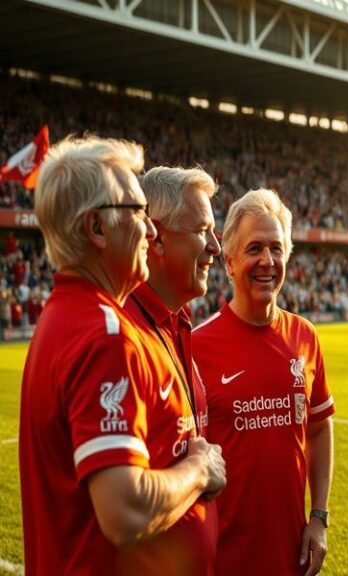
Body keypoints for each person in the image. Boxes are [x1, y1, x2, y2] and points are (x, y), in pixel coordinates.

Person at [19, 136, 226, 576]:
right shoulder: (105, 334)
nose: (150, 231)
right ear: (97, 228)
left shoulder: (65, 317)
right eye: (136, 211)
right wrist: (199, 468)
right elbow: (126, 510)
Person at [192, 188, 334, 576]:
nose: (267, 261)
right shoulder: (195, 348)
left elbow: (320, 428)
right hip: (221, 559)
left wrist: (318, 517)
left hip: (291, 556)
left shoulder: (304, 336)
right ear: (230, 260)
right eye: (255, 249)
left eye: (276, 248)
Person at [122, 166, 222, 572]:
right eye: (203, 230)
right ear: (156, 236)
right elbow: (124, 506)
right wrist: (199, 471)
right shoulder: (124, 336)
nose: (215, 246)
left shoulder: (177, 323)